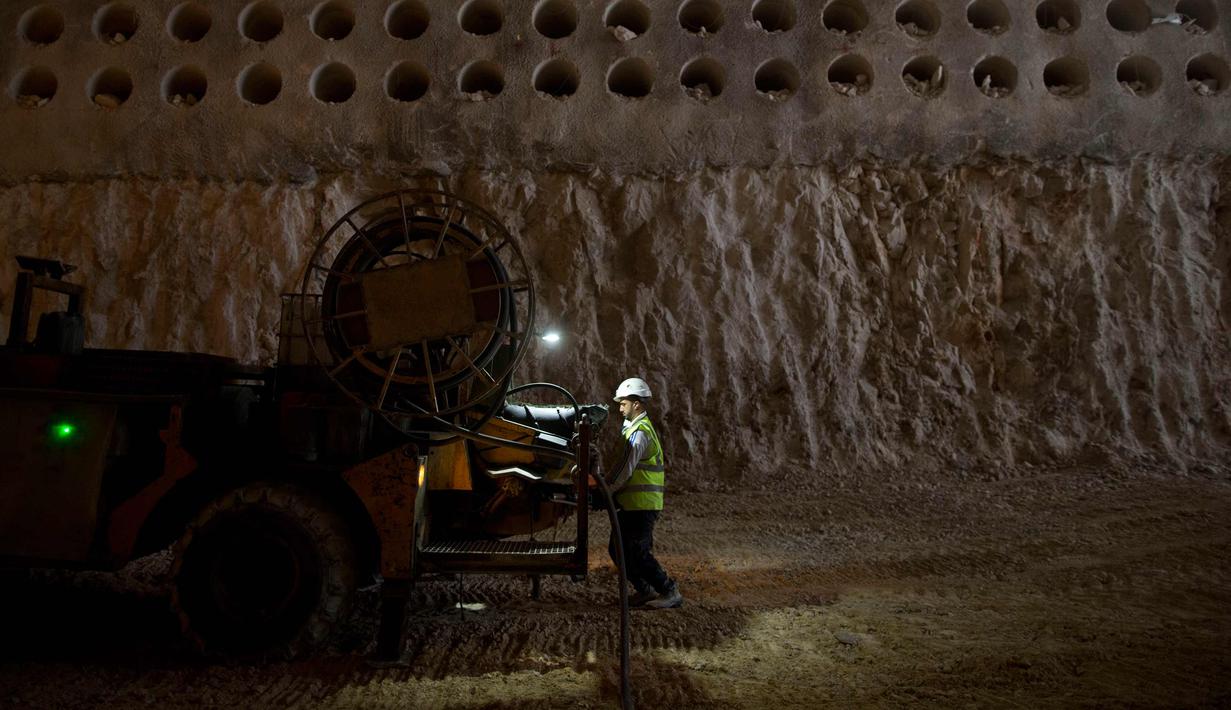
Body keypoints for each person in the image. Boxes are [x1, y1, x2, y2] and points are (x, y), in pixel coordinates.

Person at [606, 377, 683, 609]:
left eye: (624, 402)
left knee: (638, 551)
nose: (619, 406)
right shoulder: (631, 429)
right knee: (617, 548)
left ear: (637, 404)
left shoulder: (640, 432)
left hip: (643, 504)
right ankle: (645, 590)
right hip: (632, 503)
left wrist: (607, 489)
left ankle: (669, 591)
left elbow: (625, 469)